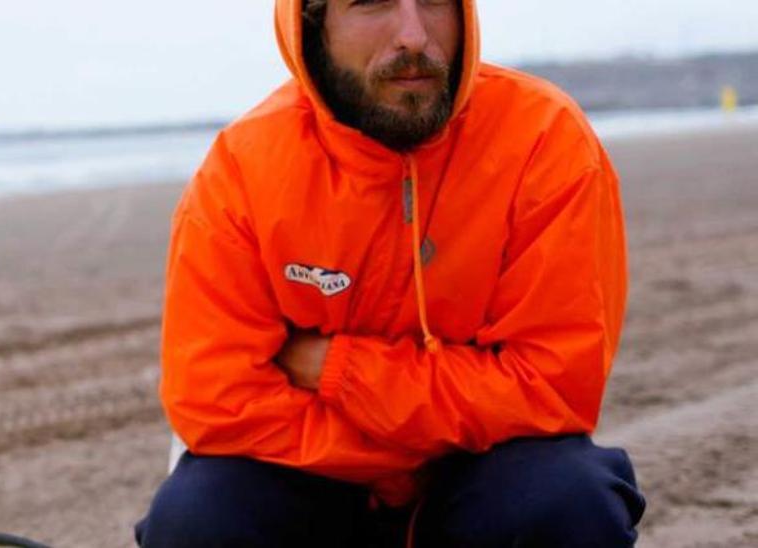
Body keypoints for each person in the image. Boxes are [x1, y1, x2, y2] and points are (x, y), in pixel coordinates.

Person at [135, 0, 646, 546]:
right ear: (311, 25)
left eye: (434, 2)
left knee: (568, 499)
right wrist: (404, 457)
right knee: (197, 518)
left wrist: (337, 369)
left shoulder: (544, 139)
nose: (413, 35)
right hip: (309, 479)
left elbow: (551, 385)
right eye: (372, 3)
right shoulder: (243, 167)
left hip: (483, 479)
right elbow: (215, 401)